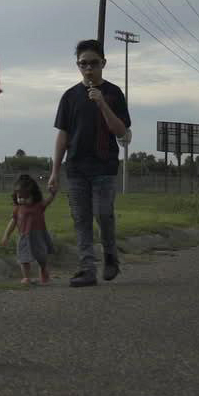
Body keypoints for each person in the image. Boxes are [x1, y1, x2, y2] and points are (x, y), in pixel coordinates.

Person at [48, 39, 131, 287]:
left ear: (103, 63)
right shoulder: (70, 96)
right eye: (83, 64)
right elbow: (62, 136)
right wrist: (55, 171)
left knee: (103, 214)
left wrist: (102, 102)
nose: (88, 68)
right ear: (78, 65)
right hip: (76, 168)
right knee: (81, 218)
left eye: (93, 63)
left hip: (104, 166)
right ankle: (86, 268)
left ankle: (110, 256)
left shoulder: (114, 93)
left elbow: (120, 131)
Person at [0, 174, 57, 285]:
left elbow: (48, 201)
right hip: (23, 237)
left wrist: (52, 194)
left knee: (42, 257)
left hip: (38, 236)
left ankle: (44, 271)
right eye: (20, 197)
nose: (22, 200)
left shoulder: (39, 206)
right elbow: (13, 222)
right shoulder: (17, 209)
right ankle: (26, 277)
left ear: (34, 196)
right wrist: (6, 235)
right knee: (23, 258)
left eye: (26, 197)